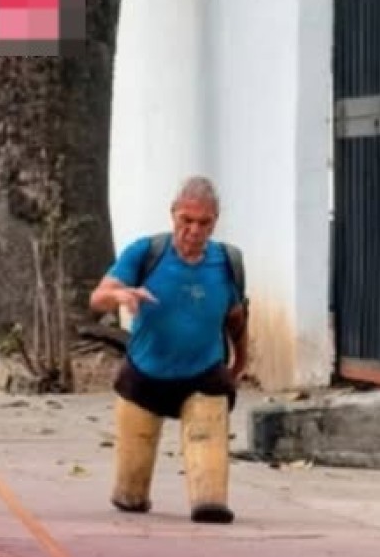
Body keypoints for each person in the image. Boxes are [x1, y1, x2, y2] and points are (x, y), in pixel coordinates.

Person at [89, 176, 248, 525]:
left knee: (210, 499)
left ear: (215, 221)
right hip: (145, 375)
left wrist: (240, 361)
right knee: (129, 493)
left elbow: (236, 317)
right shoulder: (145, 253)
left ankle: (208, 499)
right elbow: (97, 297)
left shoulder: (227, 262)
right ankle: (133, 492)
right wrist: (119, 295)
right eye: (186, 220)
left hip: (204, 375)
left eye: (204, 223)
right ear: (173, 214)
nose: (194, 231)